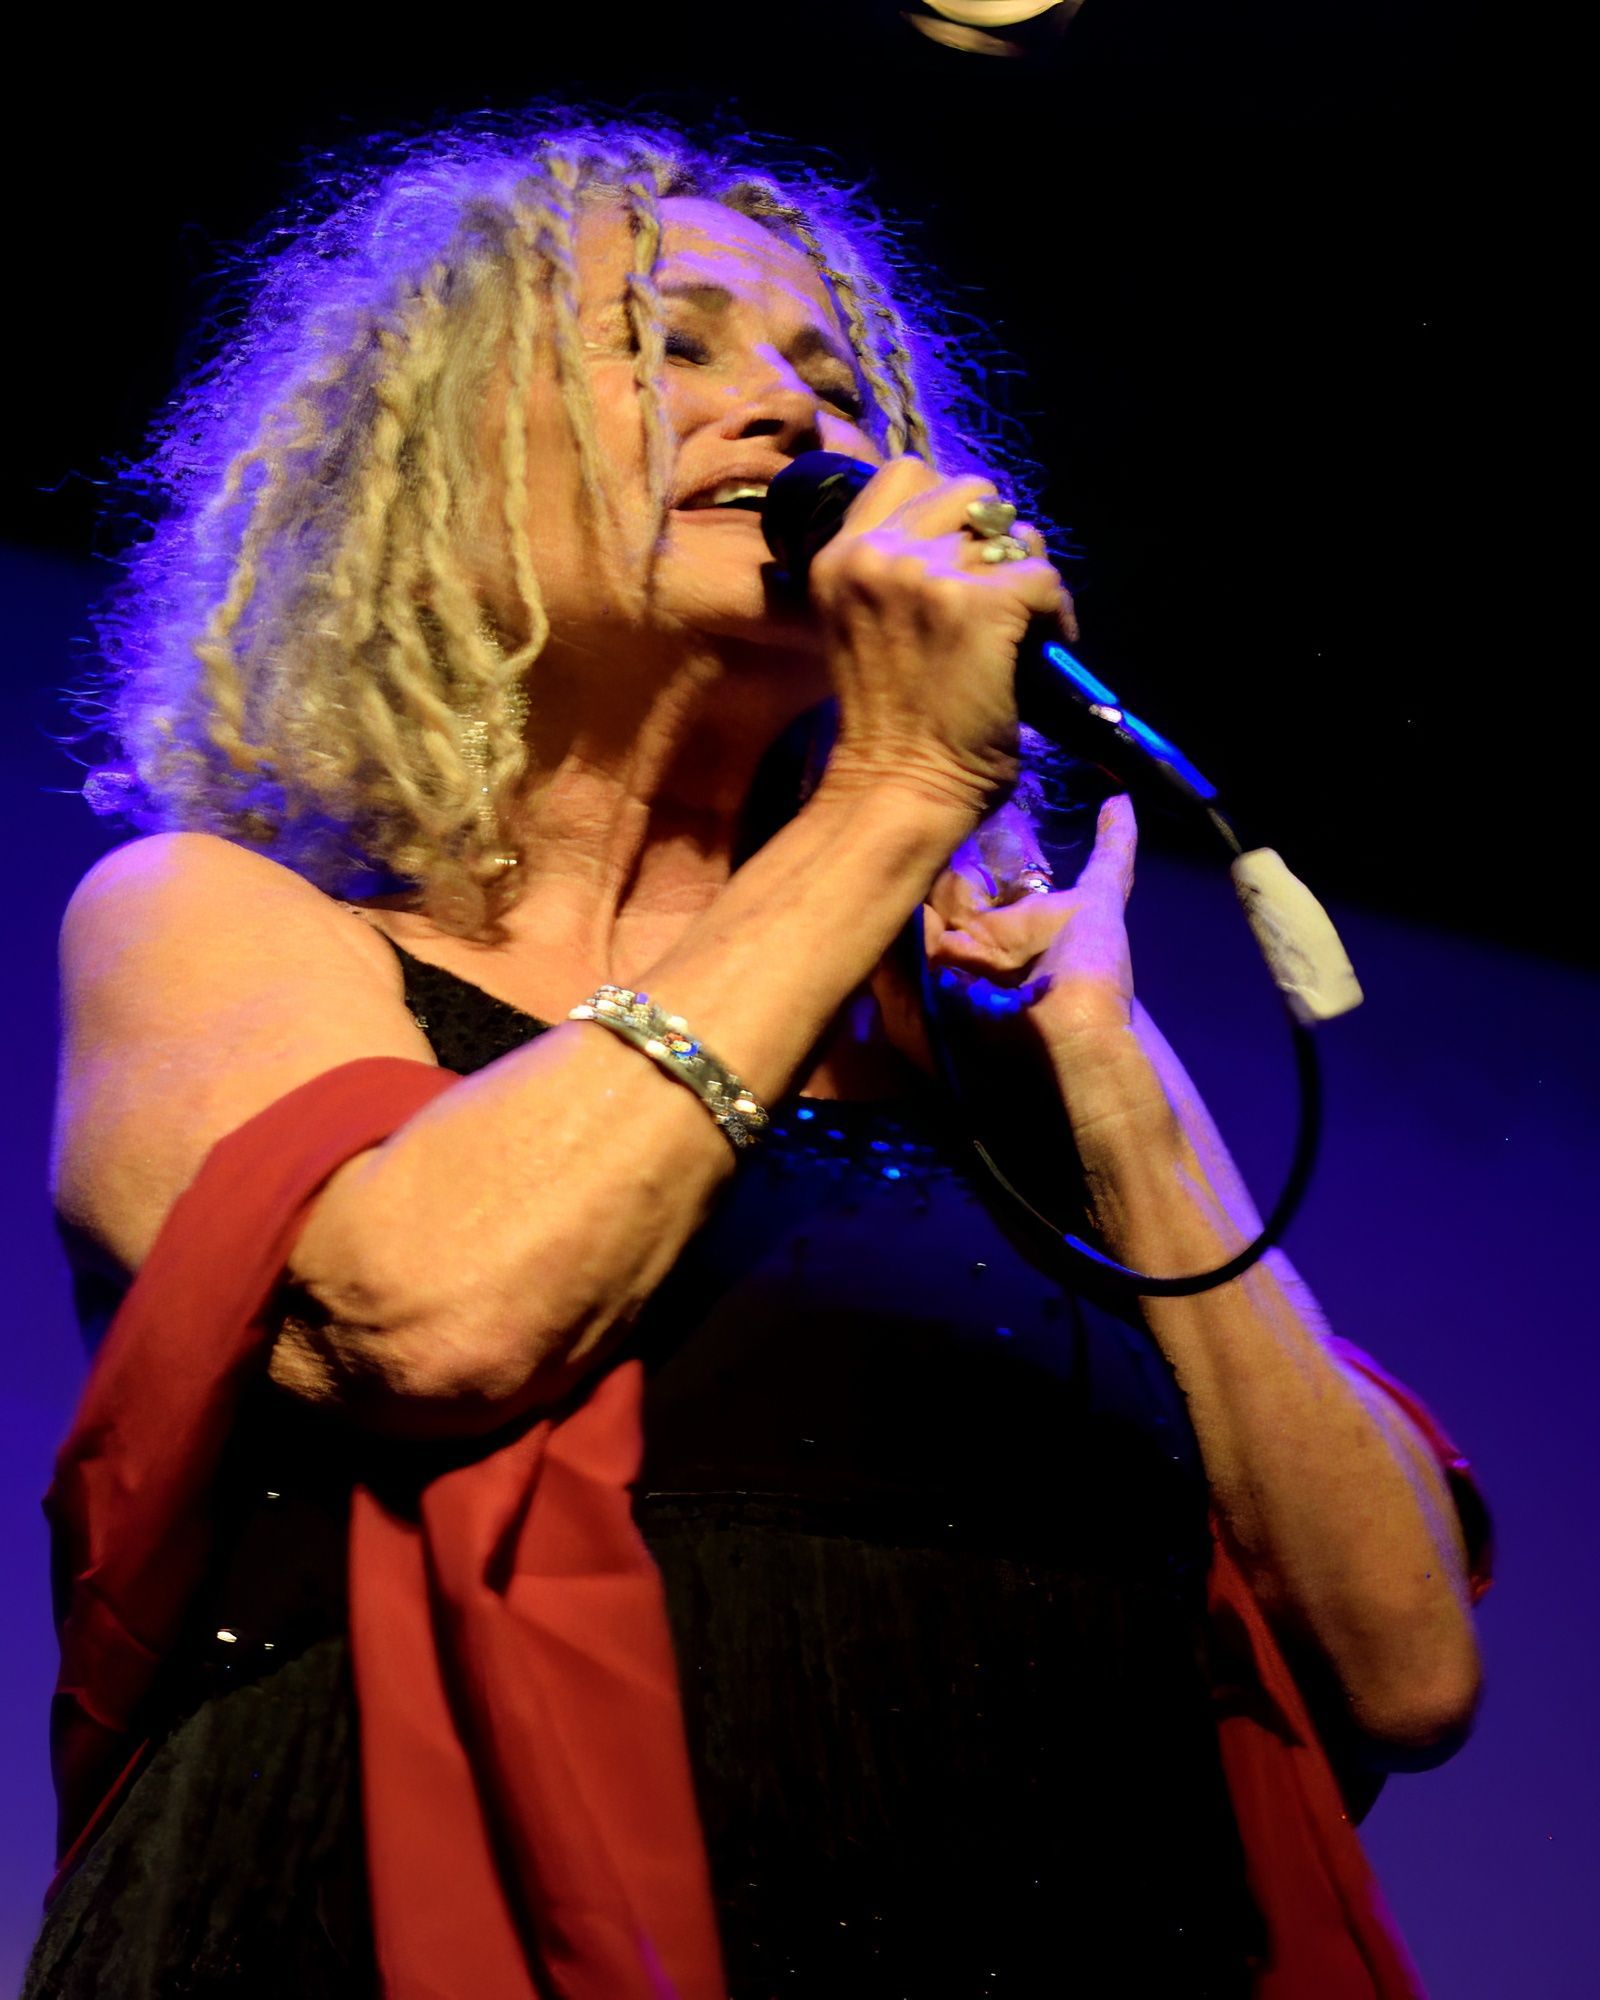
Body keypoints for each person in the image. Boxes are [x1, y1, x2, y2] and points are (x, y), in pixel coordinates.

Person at [26, 113, 1491, 1999]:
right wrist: (899, 786)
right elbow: (431, 1313)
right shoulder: (217, 920)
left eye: (831, 378)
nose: (793, 413)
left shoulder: (993, 1056)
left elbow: (1401, 1664)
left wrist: (1108, 1072)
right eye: (673, 343)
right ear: (436, 464)